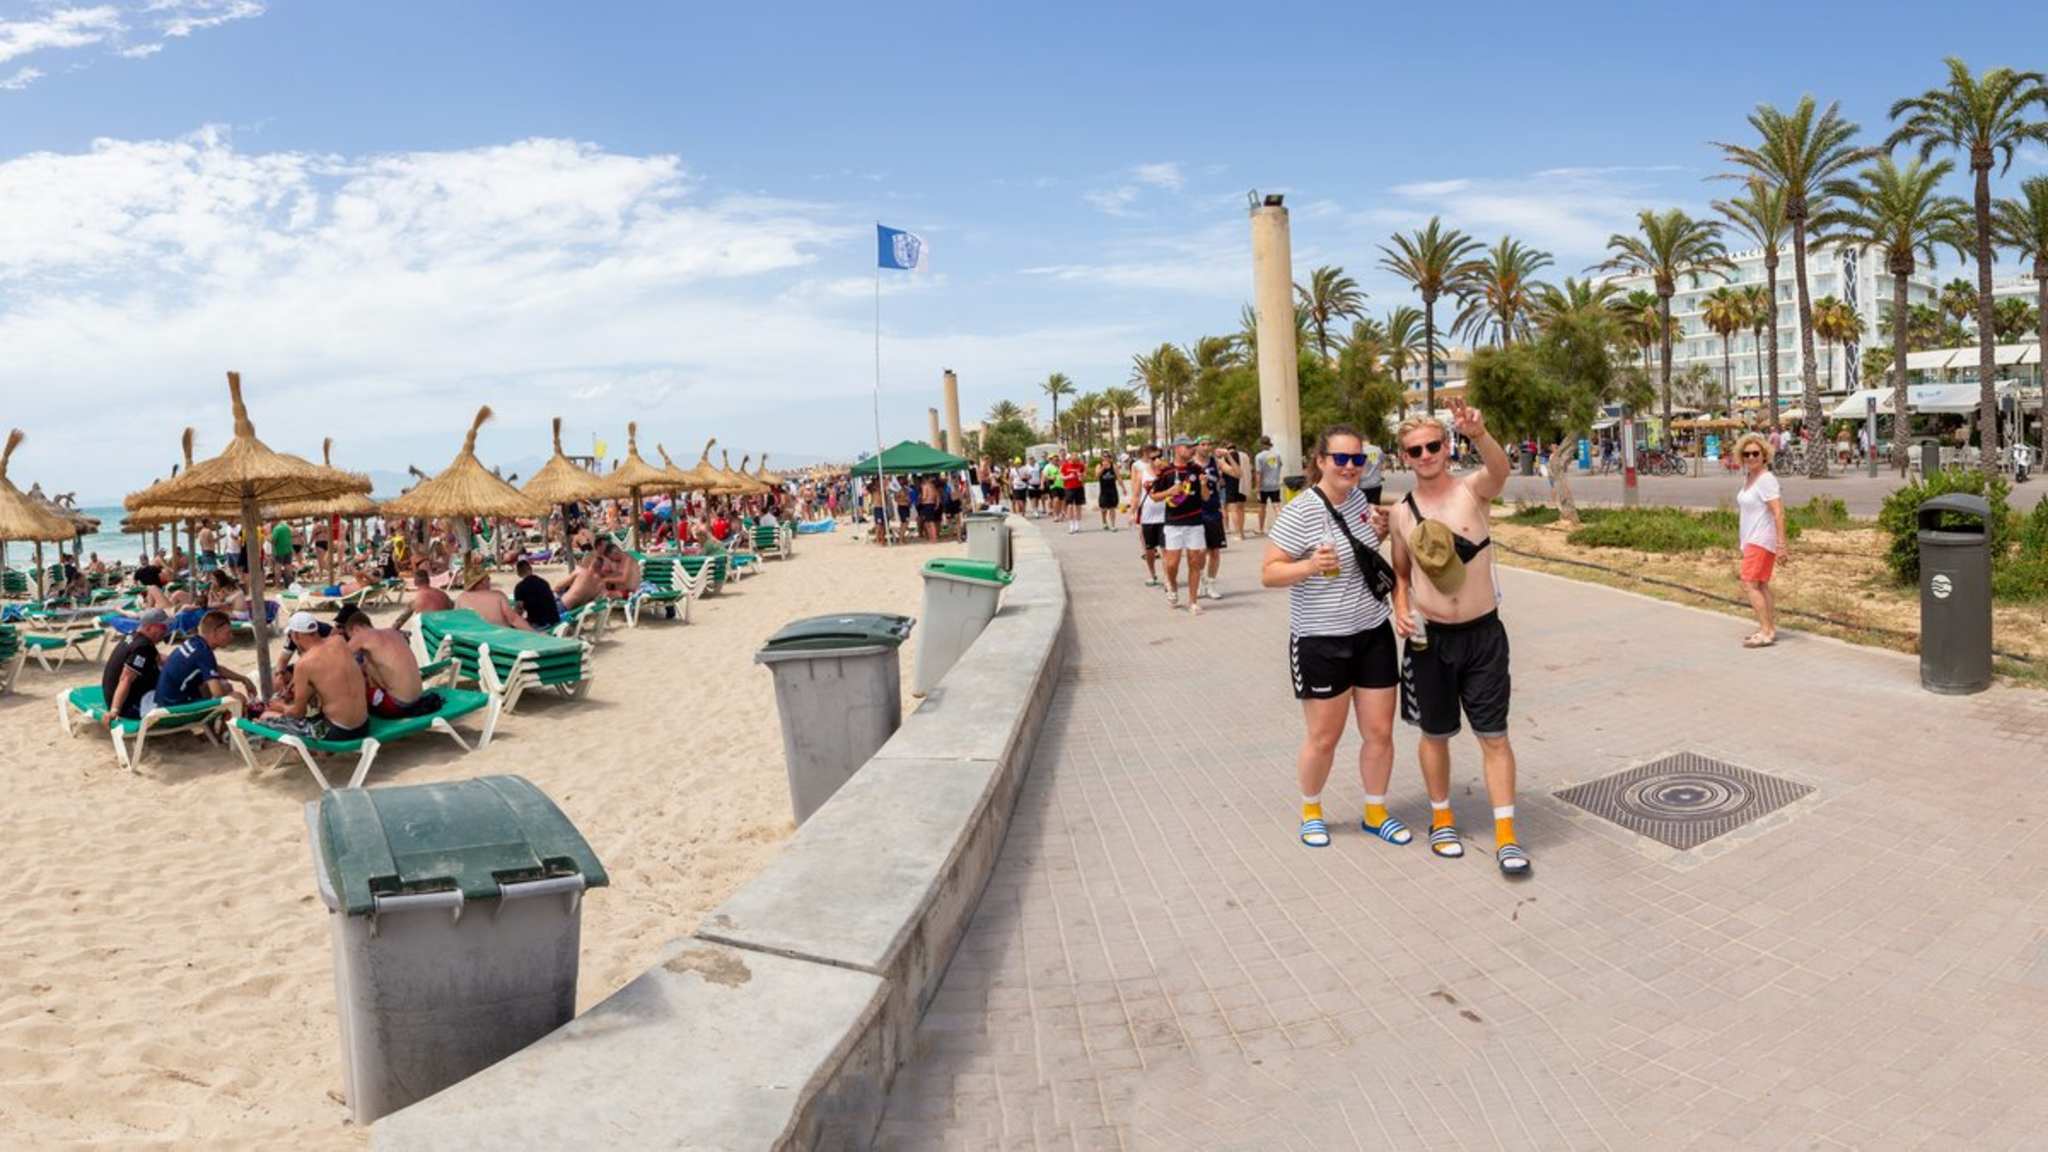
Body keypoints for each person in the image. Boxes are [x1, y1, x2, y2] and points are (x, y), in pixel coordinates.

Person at [1387, 400, 1529, 878]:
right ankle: (1442, 819)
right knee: (1435, 733)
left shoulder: (1473, 491)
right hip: (1430, 642)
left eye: (1433, 445)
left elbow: (1500, 469)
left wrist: (1480, 432)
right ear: (1404, 456)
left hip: (1483, 635)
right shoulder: (1401, 513)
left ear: (1446, 447)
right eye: (1415, 450)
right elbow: (1401, 575)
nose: (1425, 455)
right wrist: (1401, 609)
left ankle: (1506, 836)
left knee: (1494, 735)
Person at [1261, 426, 1403, 849]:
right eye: (1340, 458)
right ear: (1320, 460)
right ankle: (1311, 811)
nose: (1349, 467)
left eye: (1357, 459)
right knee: (1325, 737)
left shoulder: (1360, 500)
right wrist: (1308, 567)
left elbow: (1360, 549)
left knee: (1379, 732)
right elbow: (1268, 572)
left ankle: (1376, 812)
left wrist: (1379, 531)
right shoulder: (1300, 511)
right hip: (1322, 639)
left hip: (1372, 630)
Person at [272, 612, 370, 742]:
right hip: (363, 726)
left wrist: (280, 707)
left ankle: (316, 750)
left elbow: (298, 713)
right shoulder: (339, 641)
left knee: (267, 718)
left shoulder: (304, 663)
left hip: (339, 731)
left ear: (295, 635)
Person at [1733, 431, 1788, 648]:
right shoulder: (1750, 478)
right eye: (1746, 454)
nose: (1751, 458)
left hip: (1761, 539)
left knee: (1749, 584)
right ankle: (1768, 628)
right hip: (1751, 540)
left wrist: (1781, 544)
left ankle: (1766, 631)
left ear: (1764, 455)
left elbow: (1778, 512)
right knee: (1761, 584)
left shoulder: (1766, 479)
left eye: (1756, 453)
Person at [335, 604, 426, 717]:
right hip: (418, 697)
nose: (351, 639)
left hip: (398, 706)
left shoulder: (361, 636)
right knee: (366, 666)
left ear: (355, 628)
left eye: (350, 636)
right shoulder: (393, 632)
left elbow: (336, 659)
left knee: (354, 679)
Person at [1153, 436, 1210, 613]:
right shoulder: (1166, 472)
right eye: (1188, 447)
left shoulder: (1197, 469)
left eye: (1193, 447)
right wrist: (1169, 491)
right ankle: (1173, 585)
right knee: (1172, 564)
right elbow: (1154, 496)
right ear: (1177, 449)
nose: (1192, 450)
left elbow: (1206, 497)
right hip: (1173, 524)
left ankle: (1193, 602)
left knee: (1194, 561)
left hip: (1195, 522)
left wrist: (1203, 485)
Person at [157, 611, 256, 712]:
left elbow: (216, 668)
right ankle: (228, 725)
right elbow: (218, 695)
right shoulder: (204, 653)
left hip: (165, 702)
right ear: (215, 633)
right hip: (176, 709)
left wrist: (243, 679)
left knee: (224, 686)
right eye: (228, 633)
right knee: (237, 699)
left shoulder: (195, 642)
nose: (231, 636)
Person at [100, 608, 170, 725]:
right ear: (149, 627)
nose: (166, 630)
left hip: (115, 695)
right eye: (162, 627)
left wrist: (179, 660)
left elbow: (157, 658)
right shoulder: (142, 647)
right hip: (129, 706)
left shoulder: (133, 636)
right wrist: (114, 710)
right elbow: (125, 679)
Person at [455, 562, 535, 631]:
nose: (490, 581)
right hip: (499, 639)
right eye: (488, 579)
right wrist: (536, 633)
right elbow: (514, 619)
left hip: (472, 640)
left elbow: (457, 621)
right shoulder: (498, 596)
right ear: (482, 582)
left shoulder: (461, 598)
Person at [1128, 443, 1166, 587]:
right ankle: (1152, 574)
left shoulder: (1167, 472)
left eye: (1159, 456)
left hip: (1165, 516)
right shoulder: (1141, 473)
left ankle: (1168, 578)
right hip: (1147, 516)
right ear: (1148, 459)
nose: (1157, 460)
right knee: (1150, 551)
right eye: (1153, 458)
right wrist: (1132, 512)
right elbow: (1136, 495)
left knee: (1166, 550)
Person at [1195, 439, 1227, 600]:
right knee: (1200, 551)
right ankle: (1201, 581)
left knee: (1214, 551)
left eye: (1209, 444)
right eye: (1203, 444)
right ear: (1196, 446)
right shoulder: (1191, 464)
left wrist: (1230, 458)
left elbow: (1237, 473)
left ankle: (1211, 584)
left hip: (1213, 511)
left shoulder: (1215, 462)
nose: (1207, 447)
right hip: (1197, 512)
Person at [390, 565, 455, 630]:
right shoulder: (443, 594)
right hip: (447, 629)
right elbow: (453, 609)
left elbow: (399, 621)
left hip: (431, 632)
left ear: (415, 583)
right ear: (429, 580)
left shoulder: (416, 600)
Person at [512, 558, 561, 631]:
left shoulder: (520, 587)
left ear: (518, 573)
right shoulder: (544, 582)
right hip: (554, 621)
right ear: (531, 569)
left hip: (539, 624)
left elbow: (519, 611)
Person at [1253, 435, 1283, 535]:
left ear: (1261, 444)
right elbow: (1280, 466)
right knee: (1276, 506)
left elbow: (1258, 473)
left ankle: (1261, 529)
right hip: (1275, 484)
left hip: (1263, 486)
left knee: (1262, 507)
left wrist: (1257, 487)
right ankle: (1283, 527)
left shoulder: (1259, 456)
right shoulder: (1277, 455)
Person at [1058, 449, 1086, 534]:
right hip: (1069, 488)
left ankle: (1077, 524)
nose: (1076, 460)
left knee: (1078, 506)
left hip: (1079, 487)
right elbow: (1060, 476)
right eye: (1074, 458)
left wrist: (1081, 476)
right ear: (1070, 458)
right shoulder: (1065, 466)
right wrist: (1068, 477)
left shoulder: (1081, 465)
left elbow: (1084, 475)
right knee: (1070, 506)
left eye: (1077, 458)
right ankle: (1071, 525)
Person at [1096, 454, 1119, 531]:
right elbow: (1096, 476)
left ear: (1110, 458)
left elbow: (1118, 477)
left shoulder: (1114, 466)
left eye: (1107, 457)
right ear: (1102, 458)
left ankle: (1113, 525)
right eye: (1104, 457)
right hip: (1103, 490)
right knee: (1103, 509)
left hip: (1112, 490)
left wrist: (1123, 488)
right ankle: (1104, 522)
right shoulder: (1099, 466)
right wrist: (1103, 468)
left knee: (1112, 508)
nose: (1106, 458)